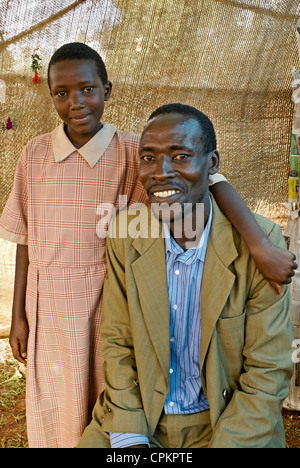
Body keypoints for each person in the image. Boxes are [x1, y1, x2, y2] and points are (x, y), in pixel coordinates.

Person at [0, 43, 295, 447]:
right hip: (57, 313)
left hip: (116, 312)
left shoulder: (132, 151)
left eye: (87, 89)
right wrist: (19, 314)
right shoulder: (38, 158)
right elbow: (27, 240)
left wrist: (258, 242)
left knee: (105, 382)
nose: (161, 169)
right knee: (62, 407)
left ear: (107, 89)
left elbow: (205, 182)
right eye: (61, 92)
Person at [78, 104, 295, 449]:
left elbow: (268, 372)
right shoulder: (126, 234)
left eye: (180, 156)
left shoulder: (259, 243)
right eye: (148, 158)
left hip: (227, 421)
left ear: (212, 164)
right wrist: (132, 439)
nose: (161, 171)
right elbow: (118, 342)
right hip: (140, 414)